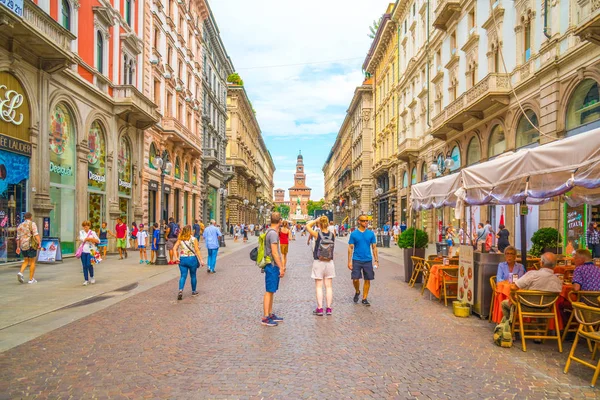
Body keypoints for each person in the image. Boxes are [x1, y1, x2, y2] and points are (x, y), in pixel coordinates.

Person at [501, 252, 561, 320]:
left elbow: (513, 287)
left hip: (526, 306)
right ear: (555, 265)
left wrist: (512, 298)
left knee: (504, 304)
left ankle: (509, 327)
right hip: (546, 308)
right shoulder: (558, 281)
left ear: (541, 263)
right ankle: (539, 328)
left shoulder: (532, 274)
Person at [306, 216, 336, 316]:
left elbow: (307, 226)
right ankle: (328, 308)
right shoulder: (333, 235)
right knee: (329, 287)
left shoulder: (316, 234)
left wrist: (315, 220)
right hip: (329, 262)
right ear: (328, 224)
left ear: (319, 224)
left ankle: (319, 308)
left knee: (319, 286)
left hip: (318, 261)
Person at [348, 214, 379, 306]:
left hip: (367, 260)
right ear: (359, 221)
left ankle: (364, 298)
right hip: (356, 259)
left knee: (367, 279)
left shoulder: (371, 234)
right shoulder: (354, 234)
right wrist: (349, 261)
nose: (366, 222)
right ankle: (357, 291)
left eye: (367, 221)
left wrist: (376, 260)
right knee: (355, 279)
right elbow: (350, 247)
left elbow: (374, 247)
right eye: (363, 221)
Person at [261, 212, 285, 327]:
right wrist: (281, 267)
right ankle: (265, 317)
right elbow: (275, 252)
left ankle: (269, 314)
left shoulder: (269, 232)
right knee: (269, 291)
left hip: (270, 264)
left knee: (271, 290)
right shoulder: (273, 234)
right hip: (272, 265)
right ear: (280, 221)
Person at [173, 225, 205, 300]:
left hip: (183, 259)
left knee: (183, 276)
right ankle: (193, 291)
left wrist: (176, 258)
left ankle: (180, 290)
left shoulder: (180, 239)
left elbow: (174, 248)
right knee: (193, 275)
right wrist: (201, 260)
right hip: (192, 259)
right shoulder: (194, 239)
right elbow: (197, 250)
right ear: (190, 231)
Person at [16, 212, 41, 284]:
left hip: (23, 246)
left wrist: (18, 247)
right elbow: (36, 234)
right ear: (31, 217)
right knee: (32, 261)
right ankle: (31, 279)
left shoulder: (20, 226)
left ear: (24, 217)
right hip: (30, 245)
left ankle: (20, 272)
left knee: (26, 260)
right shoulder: (32, 224)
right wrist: (39, 243)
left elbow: (18, 238)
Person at [78, 220, 100, 286]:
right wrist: (90, 239)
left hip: (91, 251)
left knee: (89, 264)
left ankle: (92, 277)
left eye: (87, 226)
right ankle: (86, 280)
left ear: (89, 226)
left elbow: (98, 241)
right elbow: (83, 239)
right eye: (84, 226)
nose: (85, 227)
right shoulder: (81, 232)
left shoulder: (92, 232)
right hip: (83, 251)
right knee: (84, 266)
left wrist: (90, 239)